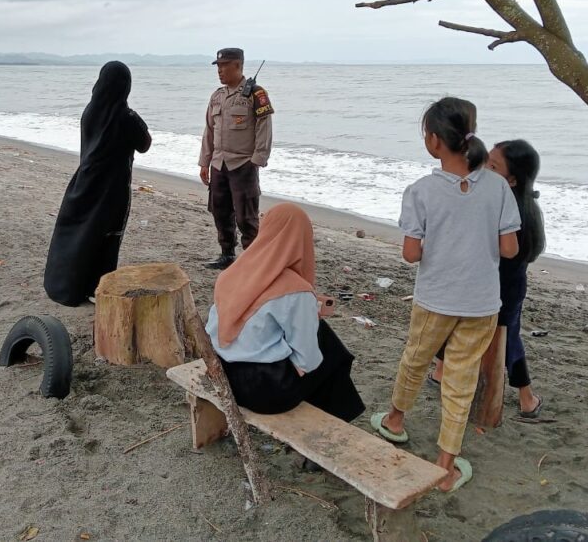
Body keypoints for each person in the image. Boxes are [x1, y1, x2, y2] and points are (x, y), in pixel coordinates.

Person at [371, 97, 520, 493]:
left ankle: (395, 421)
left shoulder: (420, 191)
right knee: (461, 379)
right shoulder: (499, 189)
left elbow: (410, 255)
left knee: (416, 359)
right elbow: (509, 250)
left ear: (434, 141)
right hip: (481, 301)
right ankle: (445, 465)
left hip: (436, 297)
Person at [206, 202, 365, 426]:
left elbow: (216, 329)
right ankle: (338, 420)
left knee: (319, 345)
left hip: (224, 374)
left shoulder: (234, 273)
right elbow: (308, 360)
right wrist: (309, 318)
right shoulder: (295, 291)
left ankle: (337, 413)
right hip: (263, 393)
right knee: (334, 355)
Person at [429, 139, 546, 418]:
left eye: (492, 166)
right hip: (496, 282)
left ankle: (525, 397)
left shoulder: (507, 210)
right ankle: (441, 370)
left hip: (501, 286)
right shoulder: (517, 204)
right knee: (460, 323)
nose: (483, 169)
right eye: (485, 161)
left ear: (513, 180)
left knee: (505, 336)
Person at [43, 62, 152, 306]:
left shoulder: (90, 111)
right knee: (106, 237)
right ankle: (96, 286)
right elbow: (144, 144)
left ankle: (66, 286)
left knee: (79, 233)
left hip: (84, 181)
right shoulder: (125, 116)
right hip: (112, 187)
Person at [199, 48, 273, 270]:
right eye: (218, 66)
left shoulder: (255, 94)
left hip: (243, 164)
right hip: (219, 164)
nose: (220, 70)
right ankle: (227, 255)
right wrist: (205, 161)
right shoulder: (217, 96)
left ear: (238, 66)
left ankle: (253, 260)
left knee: (246, 217)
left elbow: (264, 128)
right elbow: (209, 131)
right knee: (220, 212)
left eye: (224, 65)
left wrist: (257, 160)